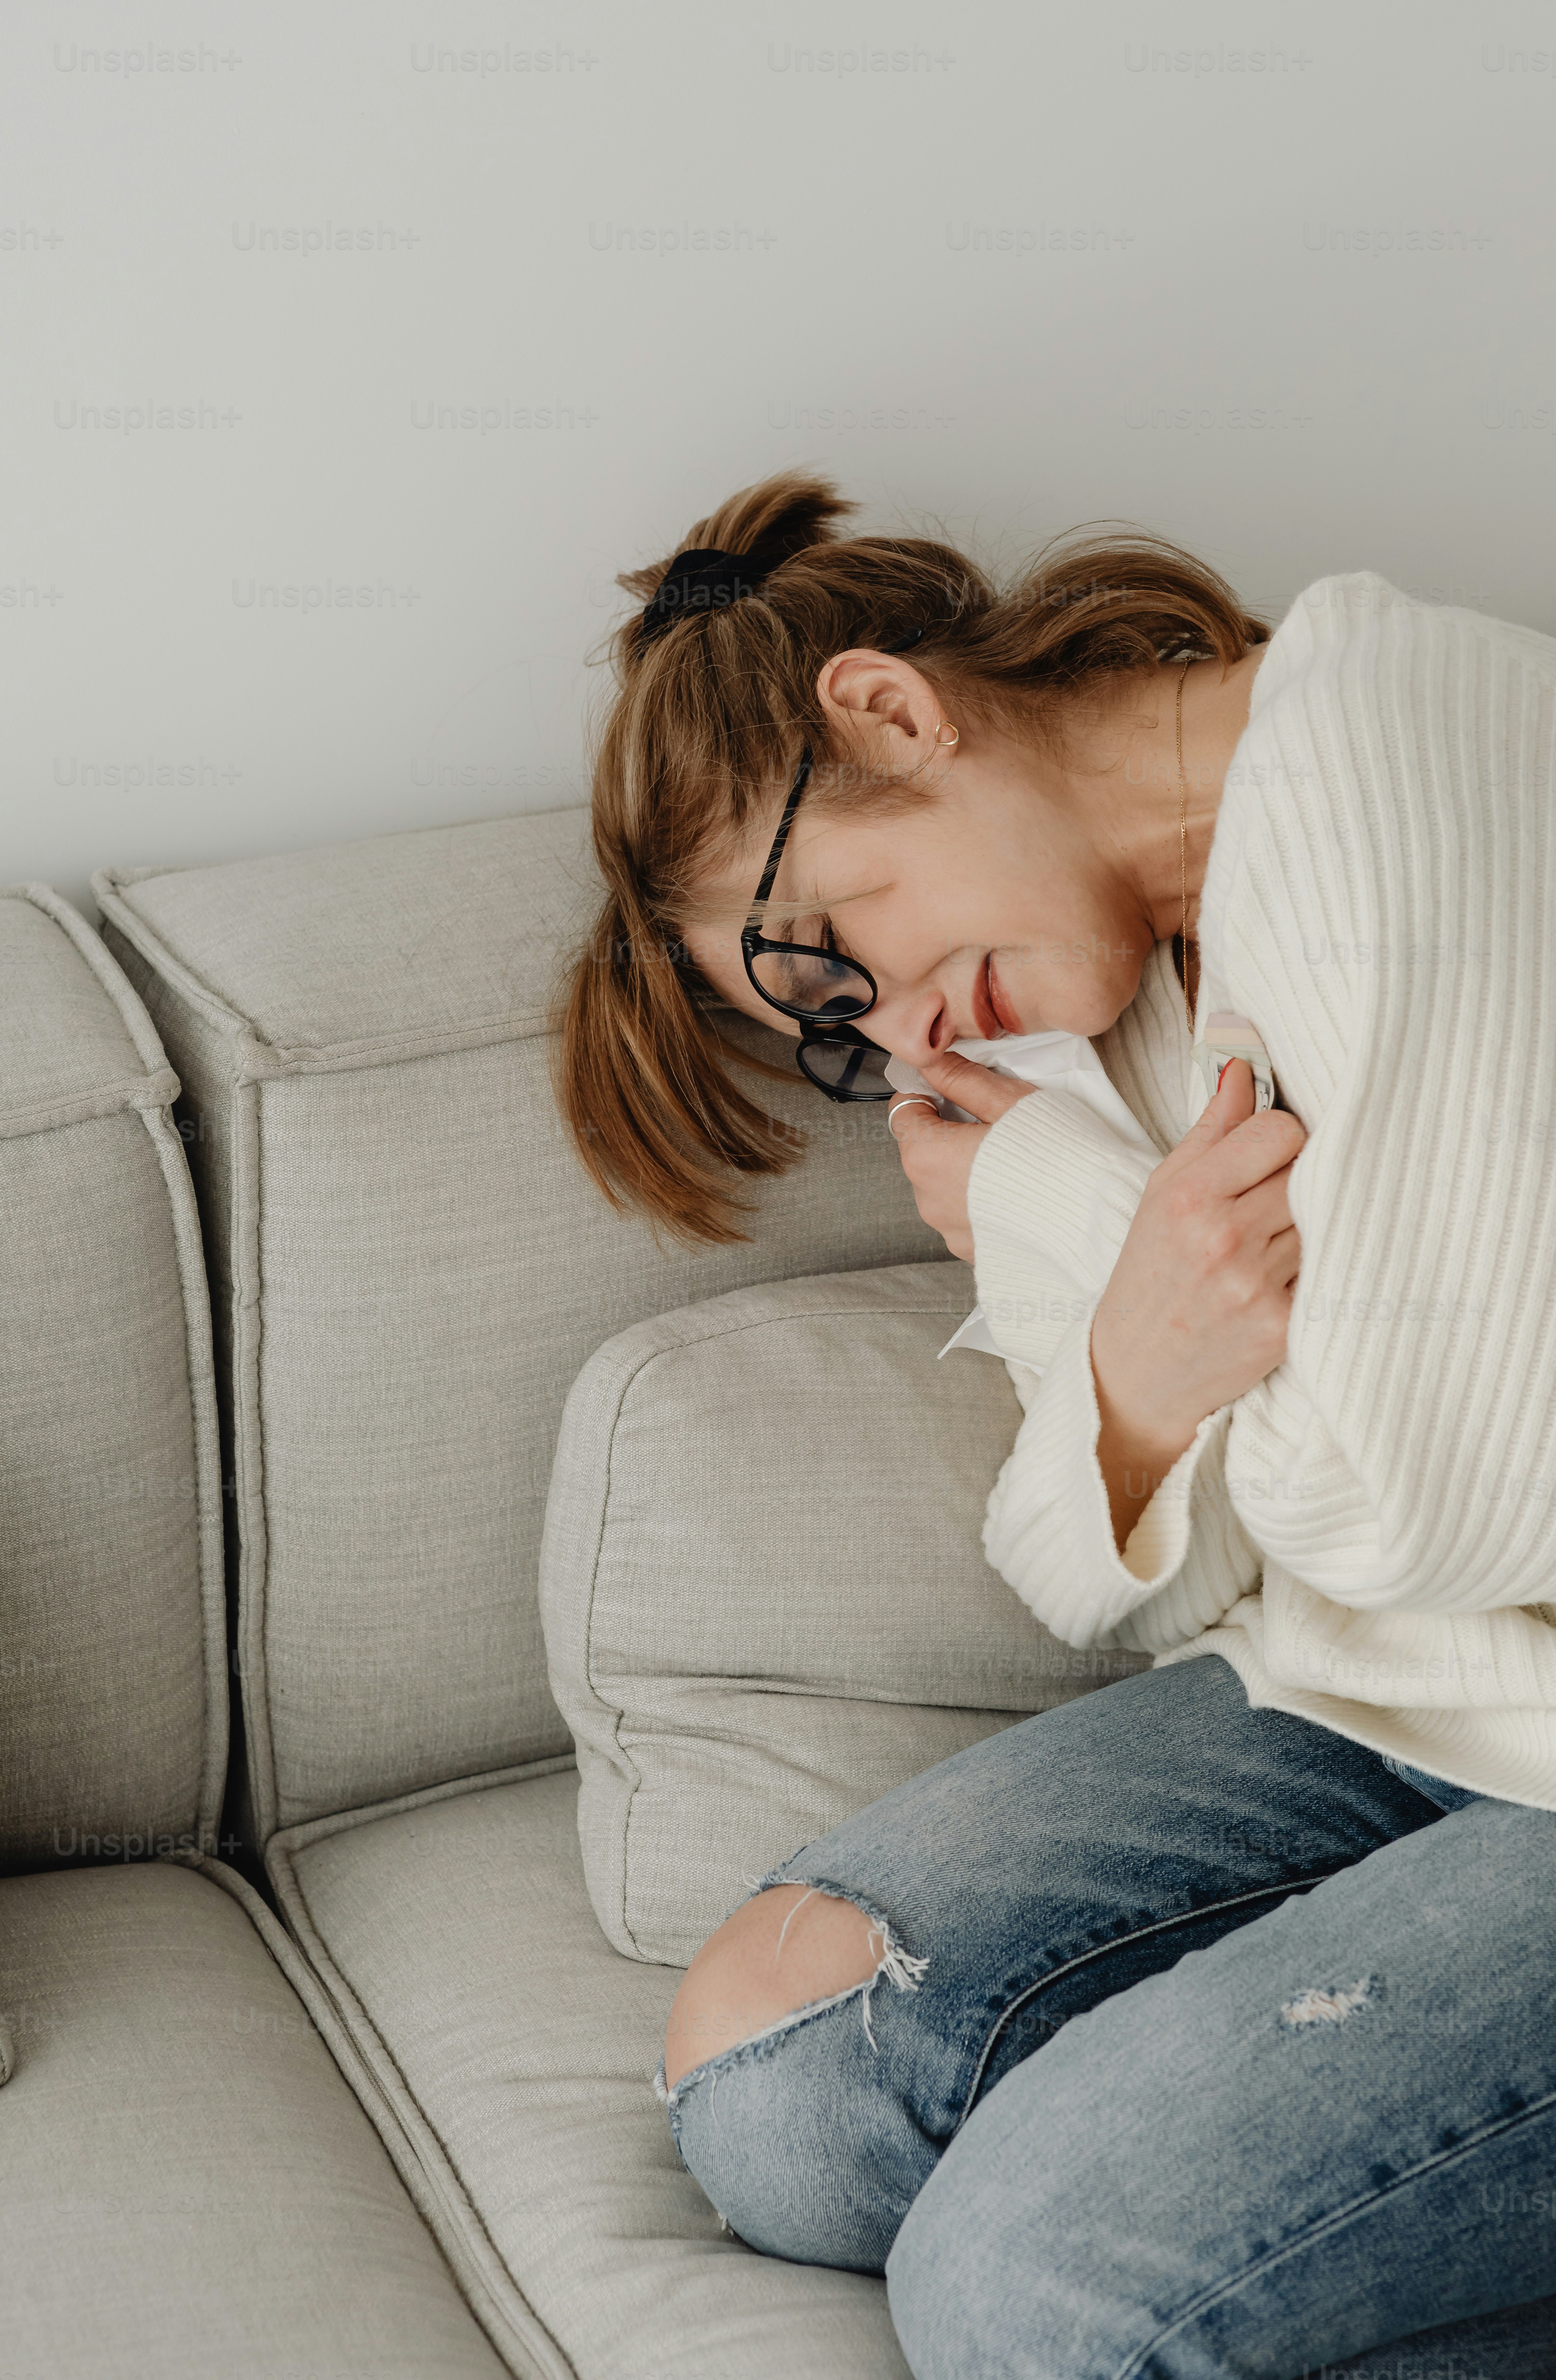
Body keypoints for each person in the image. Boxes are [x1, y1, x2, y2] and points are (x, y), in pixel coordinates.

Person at [552, 469, 1556, 2376]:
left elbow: (1421, 1510)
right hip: (1410, 1693)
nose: (912, 1045)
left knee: (1032, 2295)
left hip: (1474, 1652)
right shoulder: (1082, 1028)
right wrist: (1135, 1355)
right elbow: (1094, 1582)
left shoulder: (1383, 749)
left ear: (891, 713)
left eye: (836, 954)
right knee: (782, 2080)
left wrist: (1083, 1231)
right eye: (836, 1033)